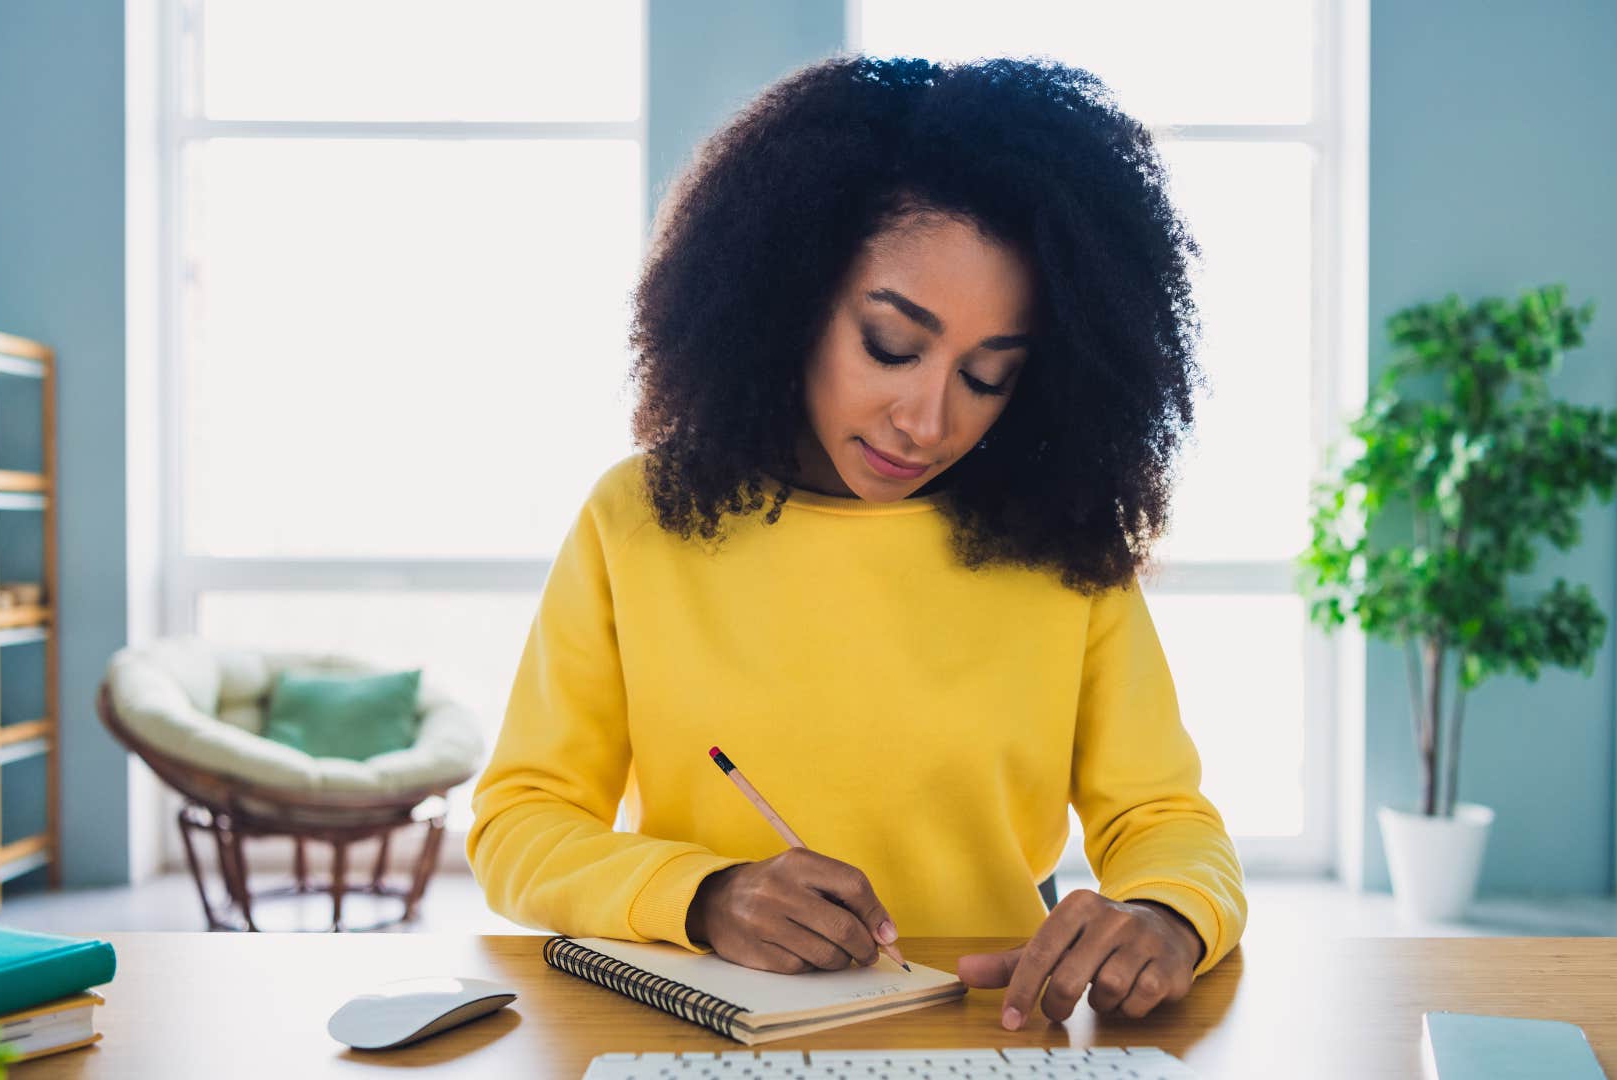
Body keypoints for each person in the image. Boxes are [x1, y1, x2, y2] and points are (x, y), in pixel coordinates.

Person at [468, 54, 1246, 1031]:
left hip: (989, 1031)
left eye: (989, 375)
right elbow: (519, 823)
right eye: (891, 345)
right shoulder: (638, 519)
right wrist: (704, 897)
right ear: (789, 296)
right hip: (703, 1034)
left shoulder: (1061, 548)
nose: (927, 419)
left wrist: (1167, 915)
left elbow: (1164, 818)